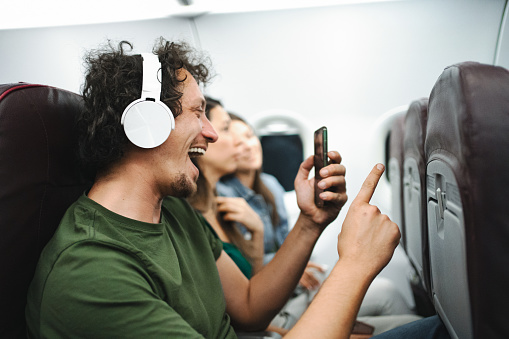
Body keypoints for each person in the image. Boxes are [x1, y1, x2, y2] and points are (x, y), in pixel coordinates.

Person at [23, 38, 422, 339]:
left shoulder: (173, 210)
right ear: (146, 122)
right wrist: (354, 264)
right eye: (198, 113)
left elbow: (248, 308)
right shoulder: (91, 273)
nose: (212, 134)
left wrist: (310, 222)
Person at [216, 111, 421, 334]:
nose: (245, 146)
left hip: (292, 288)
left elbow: (284, 243)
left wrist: (307, 235)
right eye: (232, 138)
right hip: (279, 304)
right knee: (403, 317)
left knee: (390, 295)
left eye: (249, 136)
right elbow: (248, 302)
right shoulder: (220, 198)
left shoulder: (271, 185)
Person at [187, 98, 266, 277]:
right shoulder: (187, 214)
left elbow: (254, 291)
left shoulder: (217, 205)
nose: (238, 141)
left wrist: (258, 234)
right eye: (226, 129)